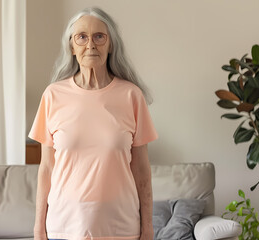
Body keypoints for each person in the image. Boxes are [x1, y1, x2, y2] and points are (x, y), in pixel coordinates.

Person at [29, 6, 158, 240]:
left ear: (111, 45)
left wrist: (148, 227)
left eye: (99, 36)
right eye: (82, 37)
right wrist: (39, 228)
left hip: (121, 228)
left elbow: (141, 171)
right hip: (63, 227)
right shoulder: (52, 96)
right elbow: (46, 169)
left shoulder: (132, 96)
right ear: (71, 46)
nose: (91, 45)